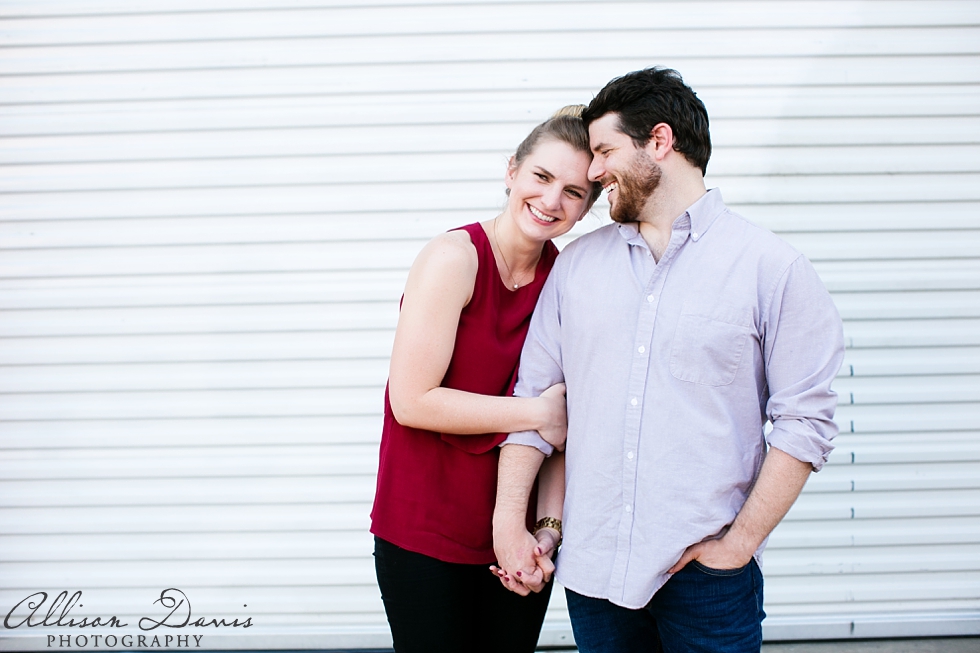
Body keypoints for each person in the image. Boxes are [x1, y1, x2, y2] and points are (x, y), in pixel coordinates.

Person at [491, 68, 845, 653]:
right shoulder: (575, 268)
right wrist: (513, 525)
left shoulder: (771, 269)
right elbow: (533, 403)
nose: (594, 171)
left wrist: (736, 548)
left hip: (707, 583)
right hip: (594, 575)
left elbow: (806, 423)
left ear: (659, 142)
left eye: (604, 150)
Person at [369, 106, 602, 653]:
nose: (551, 202)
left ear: (587, 208)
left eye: (573, 192)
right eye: (541, 177)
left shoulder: (567, 280)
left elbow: (562, 430)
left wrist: (547, 529)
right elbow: (412, 400)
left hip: (516, 537)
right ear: (511, 171)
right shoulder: (453, 258)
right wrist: (534, 413)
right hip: (425, 529)